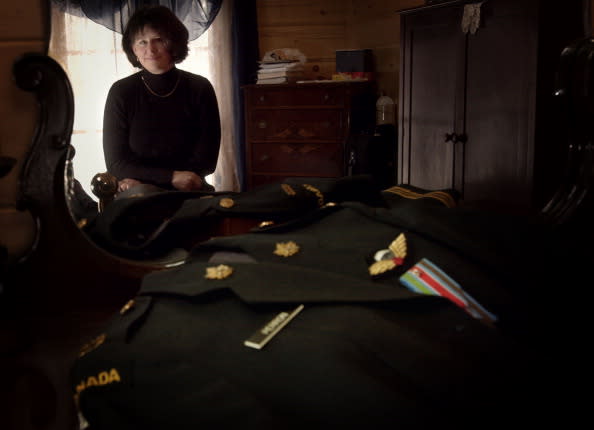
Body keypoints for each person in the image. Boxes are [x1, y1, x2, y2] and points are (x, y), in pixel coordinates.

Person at [103, 5, 221, 193]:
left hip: (190, 188)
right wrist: (169, 178)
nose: (150, 49)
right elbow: (116, 163)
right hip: (138, 190)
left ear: (174, 43)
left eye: (158, 40)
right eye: (142, 42)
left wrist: (157, 181)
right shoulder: (121, 92)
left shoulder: (200, 88)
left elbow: (207, 161)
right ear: (133, 49)